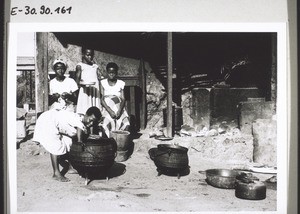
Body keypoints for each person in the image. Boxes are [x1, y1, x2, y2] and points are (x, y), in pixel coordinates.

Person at [32, 106, 102, 182]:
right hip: (48, 120)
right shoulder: (78, 121)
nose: (91, 123)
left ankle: (70, 167)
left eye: (93, 122)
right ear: (86, 114)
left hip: (55, 121)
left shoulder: (81, 118)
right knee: (55, 145)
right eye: (90, 120)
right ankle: (56, 173)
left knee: (68, 143)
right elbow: (79, 141)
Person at [100, 62, 130, 138]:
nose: (111, 74)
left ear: (116, 73)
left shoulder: (121, 83)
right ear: (107, 72)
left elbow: (123, 99)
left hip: (118, 109)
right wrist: (110, 111)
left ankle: (120, 141)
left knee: (126, 124)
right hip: (107, 109)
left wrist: (119, 111)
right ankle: (109, 141)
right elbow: (102, 100)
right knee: (104, 124)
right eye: (109, 72)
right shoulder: (103, 83)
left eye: (113, 72)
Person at [75, 47, 104, 116]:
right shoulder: (80, 66)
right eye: (88, 55)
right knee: (85, 108)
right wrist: (81, 83)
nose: (90, 57)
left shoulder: (95, 66)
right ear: (83, 54)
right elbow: (77, 82)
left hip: (94, 91)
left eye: (91, 55)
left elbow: (99, 78)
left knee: (95, 108)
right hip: (85, 91)